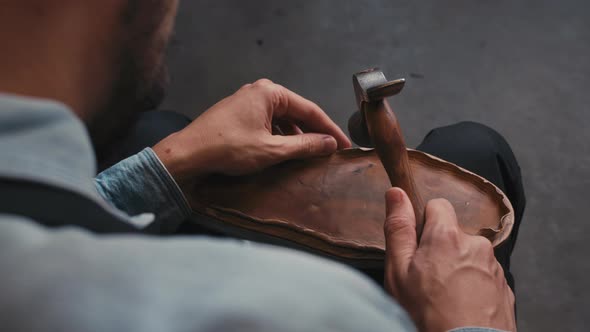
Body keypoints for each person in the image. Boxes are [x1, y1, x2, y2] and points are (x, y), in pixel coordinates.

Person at [0, 1, 525, 331]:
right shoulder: (306, 310)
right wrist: (470, 325)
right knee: (474, 149)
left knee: (156, 131)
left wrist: (167, 166)